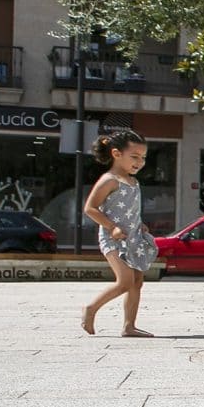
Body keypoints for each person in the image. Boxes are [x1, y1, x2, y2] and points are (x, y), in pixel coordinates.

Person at [80, 129, 158, 337]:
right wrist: (111, 227)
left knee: (137, 282)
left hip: (133, 237)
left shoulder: (134, 181)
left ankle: (129, 326)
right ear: (116, 154)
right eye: (134, 157)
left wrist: (140, 225)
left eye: (143, 158)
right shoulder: (109, 179)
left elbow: (130, 209)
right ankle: (91, 308)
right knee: (125, 281)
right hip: (113, 239)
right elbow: (90, 208)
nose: (139, 162)